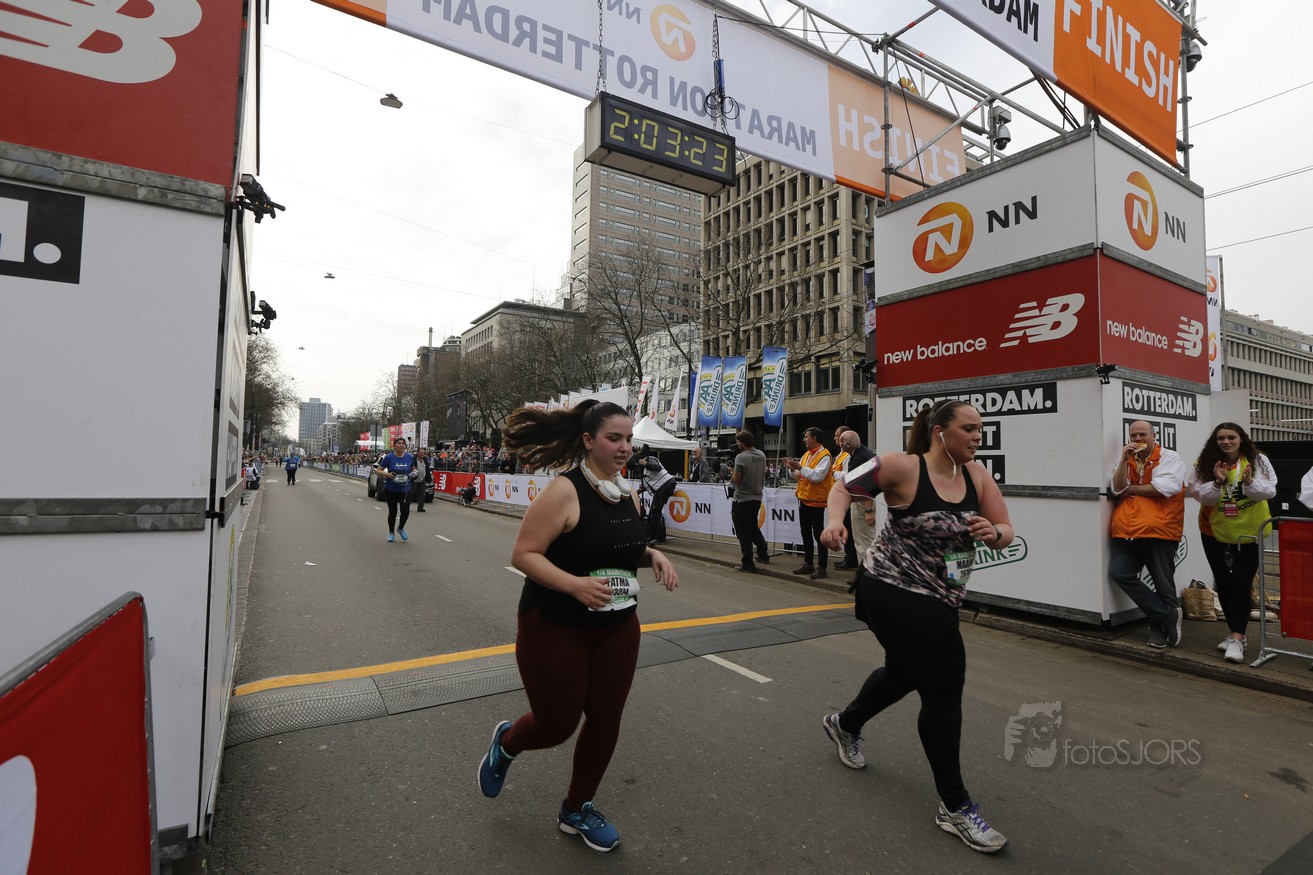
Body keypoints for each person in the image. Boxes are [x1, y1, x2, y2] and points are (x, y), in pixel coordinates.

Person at [477, 400, 679, 853]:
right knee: (557, 725)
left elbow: (620, 548)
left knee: (606, 719)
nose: (625, 448)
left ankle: (577, 808)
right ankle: (506, 743)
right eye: (614, 438)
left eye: (629, 439)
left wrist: (653, 555)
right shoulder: (563, 492)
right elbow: (523, 555)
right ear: (588, 440)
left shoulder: (626, 492)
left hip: (617, 627)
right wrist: (574, 586)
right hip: (555, 625)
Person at [819, 399, 1013, 854]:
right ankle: (955, 806)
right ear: (940, 431)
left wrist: (994, 533)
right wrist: (833, 523)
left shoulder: (977, 476)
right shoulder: (902, 467)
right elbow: (843, 487)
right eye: (969, 429)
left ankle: (845, 723)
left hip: (942, 596)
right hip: (889, 587)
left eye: (980, 429)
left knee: (905, 672)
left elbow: (1006, 529)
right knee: (944, 683)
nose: (978, 436)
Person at [1185, 423, 1276, 664]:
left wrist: (1250, 483)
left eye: (1231, 437)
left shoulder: (1258, 461)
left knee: (1241, 583)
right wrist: (1217, 483)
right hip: (1214, 531)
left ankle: (1237, 637)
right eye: (1221, 438)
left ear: (1241, 439)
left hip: (1250, 533)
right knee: (1224, 583)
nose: (1226, 442)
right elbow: (1201, 496)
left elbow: (1270, 491)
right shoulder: (1203, 465)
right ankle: (1236, 633)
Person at [1109, 420, 1187, 649]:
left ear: (1154, 436)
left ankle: (1159, 631)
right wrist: (1124, 460)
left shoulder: (1170, 457)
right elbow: (1116, 487)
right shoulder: (1128, 459)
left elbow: (1164, 487)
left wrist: (1131, 489)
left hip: (1160, 530)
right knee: (1120, 573)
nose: (1138, 439)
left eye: (1142, 434)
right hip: (1127, 529)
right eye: (1133, 435)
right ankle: (1168, 615)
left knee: (1163, 584)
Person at [784, 427, 833, 580]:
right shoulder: (807, 455)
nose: (804, 439)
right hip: (804, 499)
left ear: (815, 438)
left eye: (806, 437)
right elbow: (800, 476)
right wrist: (792, 469)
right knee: (805, 532)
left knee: (818, 534)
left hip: (816, 501)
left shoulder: (825, 455)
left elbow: (817, 476)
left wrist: (799, 467)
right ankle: (808, 563)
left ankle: (822, 567)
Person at [839, 429, 876, 585]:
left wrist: (868, 510)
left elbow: (867, 485)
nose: (839, 444)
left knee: (862, 540)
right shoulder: (863, 453)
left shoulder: (860, 457)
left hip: (862, 504)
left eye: (841, 442)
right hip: (863, 502)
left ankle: (865, 576)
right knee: (865, 540)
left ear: (847, 445)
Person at [731, 430, 771, 572]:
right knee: (753, 527)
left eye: (738, 442)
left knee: (743, 533)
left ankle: (747, 563)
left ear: (743, 443)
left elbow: (737, 479)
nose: (738, 445)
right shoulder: (761, 455)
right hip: (756, 498)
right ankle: (763, 553)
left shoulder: (741, 457)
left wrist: (732, 471)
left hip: (742, 498)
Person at [373, 438, 415, 542]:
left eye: (403, 444)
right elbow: (378, 470)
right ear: (394, 445)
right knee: (393, 512)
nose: (401, 445)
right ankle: (391, 533)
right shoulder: (389, 457)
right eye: (399, 443)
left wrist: (414, 473)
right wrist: (388, 475)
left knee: (405, 510)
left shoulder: (409, 457)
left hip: (405, 489)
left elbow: (413, 469)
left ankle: (400, 528)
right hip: (391, 488)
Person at [634, 445, 676, 545]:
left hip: (665, 486)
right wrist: (636, 493)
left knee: (654, 514)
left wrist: (645, 463)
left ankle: (659, 538)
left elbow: (657, 467)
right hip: (662, 487)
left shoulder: (650, 459)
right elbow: (645, 486)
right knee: (655, 513)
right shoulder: (643, 472)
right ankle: (655, 536)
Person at [832, 428, 860, 572]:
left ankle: (852, 559)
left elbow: (847, 475)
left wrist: (833, 473)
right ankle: (849, 557)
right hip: (841, 495)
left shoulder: (848, 456)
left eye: (838, 436)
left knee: (849, 528)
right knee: (846, 528)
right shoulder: (841, 455)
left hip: (847, 495)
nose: (835, 439)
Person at [413, 448, 432, 513]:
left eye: (423, 453)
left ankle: (420, 507)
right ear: (417, 453)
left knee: (422, 494)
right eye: (421, 453)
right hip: (414, 480)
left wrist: (428, 479)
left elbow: (427, 470)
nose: (422, 454)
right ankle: (406, 505)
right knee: (411, 493)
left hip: (422, 479)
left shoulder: (425, 460)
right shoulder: (413, 459)